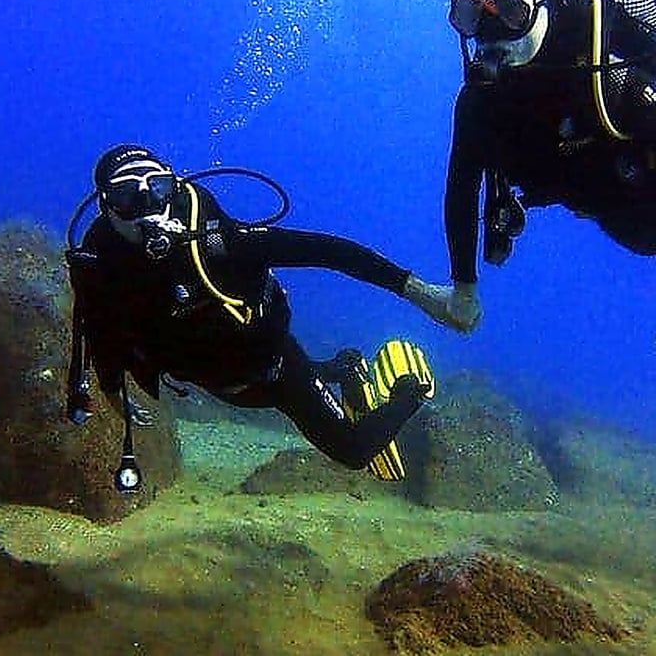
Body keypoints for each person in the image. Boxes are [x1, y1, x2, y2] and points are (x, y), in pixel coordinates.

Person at [65, 144, 437, 492]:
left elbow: (329, 251)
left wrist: (419, 291)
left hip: (276, 369)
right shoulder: (99, 266)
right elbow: (99, 332)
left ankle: (410, 391)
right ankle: (343, 368)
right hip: (221, 386)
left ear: (173, 187)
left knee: (353, 451)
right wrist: (114, 395)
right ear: (105, 204)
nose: (149, 206)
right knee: (279, 387)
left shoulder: (218, 243)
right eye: (127, 196)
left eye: (159, 189)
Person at [412, 0, 656, 334]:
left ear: (542, 5)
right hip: (584, 192)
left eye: (510, 8)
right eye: (473, 15)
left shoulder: (610, 78)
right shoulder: (480, 101)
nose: (492, 29)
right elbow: (461, 186)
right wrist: (464, 288)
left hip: (629, 183)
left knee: (644, 236)